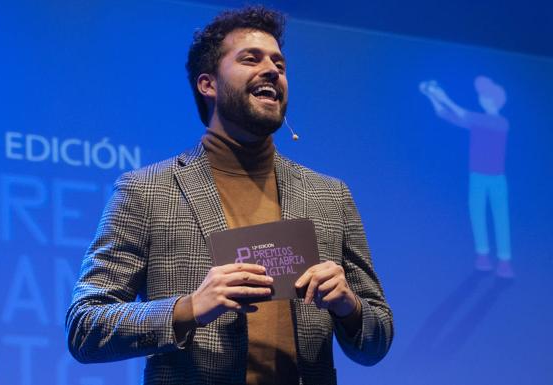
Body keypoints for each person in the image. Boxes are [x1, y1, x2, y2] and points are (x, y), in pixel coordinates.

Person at [66, 6, 393, 384]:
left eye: (280, 64)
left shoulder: (329, 195)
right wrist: (189, 308)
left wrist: (348, 306)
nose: (272, 70)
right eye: (250, 59)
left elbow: (378, 337)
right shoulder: (146, 190)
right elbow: (85, 326)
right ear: (208, 85)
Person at [420, 77, 513, 278]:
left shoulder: (499, 122)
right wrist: (431, 96)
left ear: (495, 101)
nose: (483, 100)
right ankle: (483, 257)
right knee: (477, 215)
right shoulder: (479, 122)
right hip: (477, 177)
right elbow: (444, 113)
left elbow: (461, 112)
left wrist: (440, 94)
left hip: (496, 179)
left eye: (487, 98)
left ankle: (504, 260)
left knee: (500, 218)